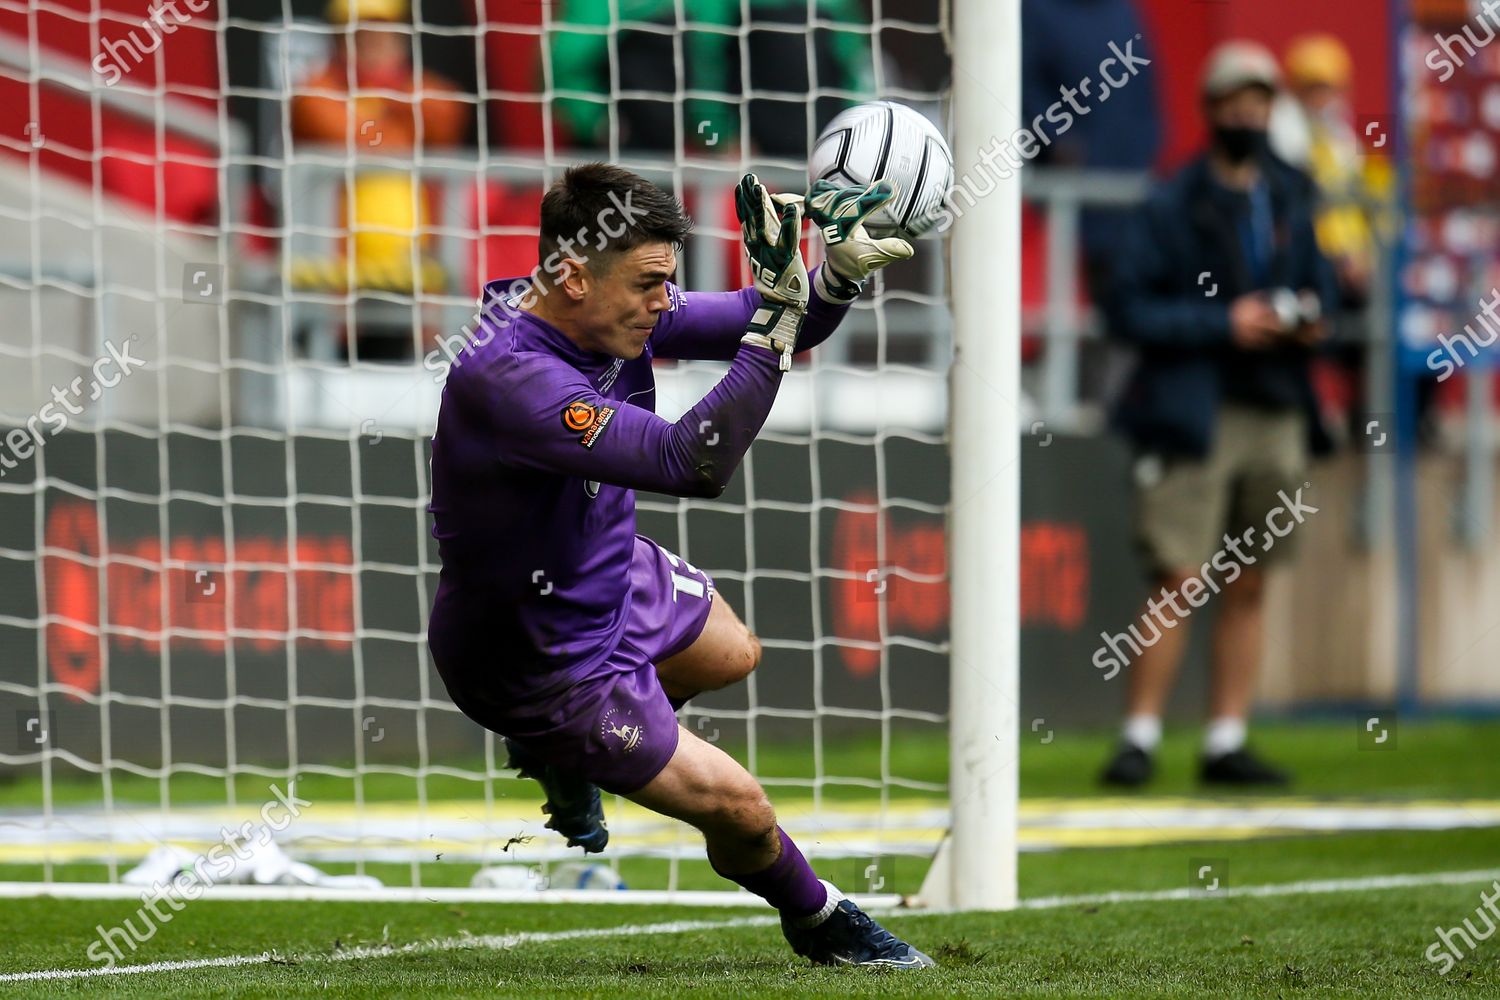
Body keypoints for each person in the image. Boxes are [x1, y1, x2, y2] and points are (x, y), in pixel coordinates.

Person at [425, 163, 931, 967]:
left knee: (732, 652)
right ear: (572, 275)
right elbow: (689, 461)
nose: (665, 301)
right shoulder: (509, 375)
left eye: (668, 281)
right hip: (538, 658)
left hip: (607, 570)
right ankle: (821, 920)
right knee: (743, 812)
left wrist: (831, 278)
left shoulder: (610, 310)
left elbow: (772, 314)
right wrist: (774, 331)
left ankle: (567, 758)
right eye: (649, 283)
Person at [1099, 42, 1337, 788]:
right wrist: (1222, 322)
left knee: (1251, 577)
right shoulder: (1172, 201)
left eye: (1259, 102)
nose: (1248, 116)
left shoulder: (1292, 192)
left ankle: (1226, 738)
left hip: (1276, 404)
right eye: (1235, 103)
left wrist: (1307, 316)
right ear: (1210, 110)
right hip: (1194, 406)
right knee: (1178, 574)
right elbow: (1126, 308)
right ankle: (1139, 737)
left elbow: (1323, 285)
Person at [548, 0, 872, 156]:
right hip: (623, 162)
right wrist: (599, 123)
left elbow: (856, 68)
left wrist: (851, 139)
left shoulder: (834, 9)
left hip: (819, 162)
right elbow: (563, 63)